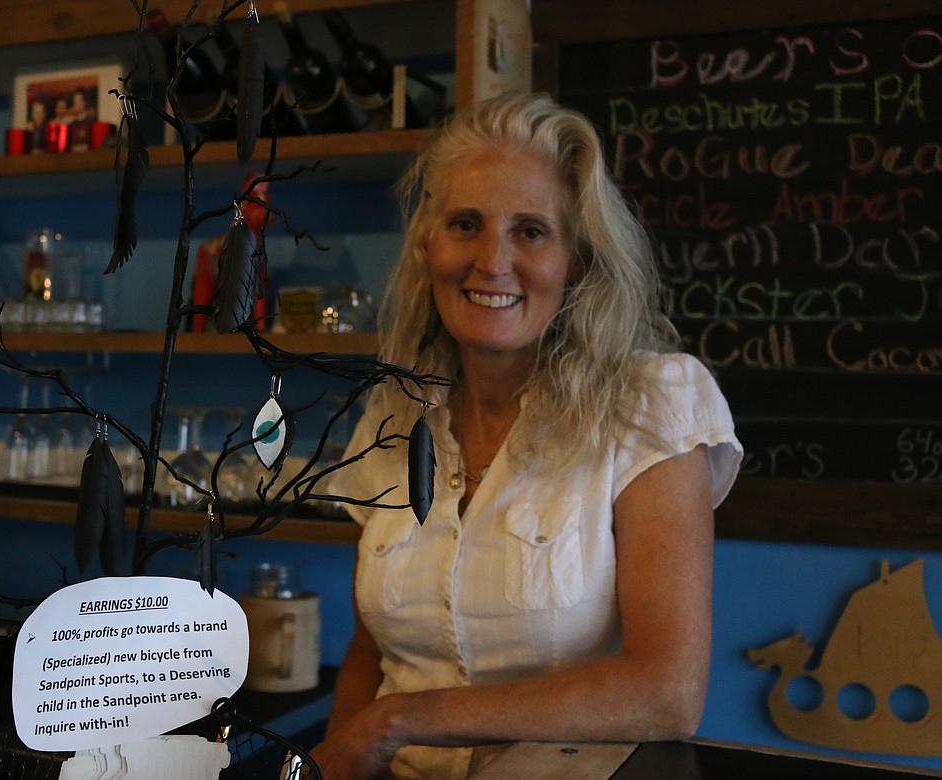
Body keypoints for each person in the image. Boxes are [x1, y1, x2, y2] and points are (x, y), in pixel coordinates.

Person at [311, 93, 742, 779]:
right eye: (466, 224)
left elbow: (666, 693)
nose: (493, 260)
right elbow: (373, 650)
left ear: (577, 260)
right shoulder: (392, 413)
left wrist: (401, 722)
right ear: (429, 245)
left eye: (531, 231)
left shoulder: (653, 406)